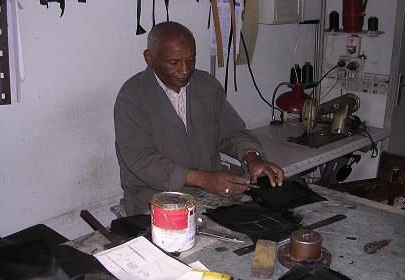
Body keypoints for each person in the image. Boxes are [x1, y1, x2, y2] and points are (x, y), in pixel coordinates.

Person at [114, 21, 284, 216]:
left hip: (208, 197)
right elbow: (141, 159)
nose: (185, 70)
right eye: (174, 63)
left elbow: (232, 133)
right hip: (154, 203)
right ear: (150, 58)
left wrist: (252, 157)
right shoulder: (133, 97)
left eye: (191, 60)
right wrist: (204, 179)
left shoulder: (207, 87)